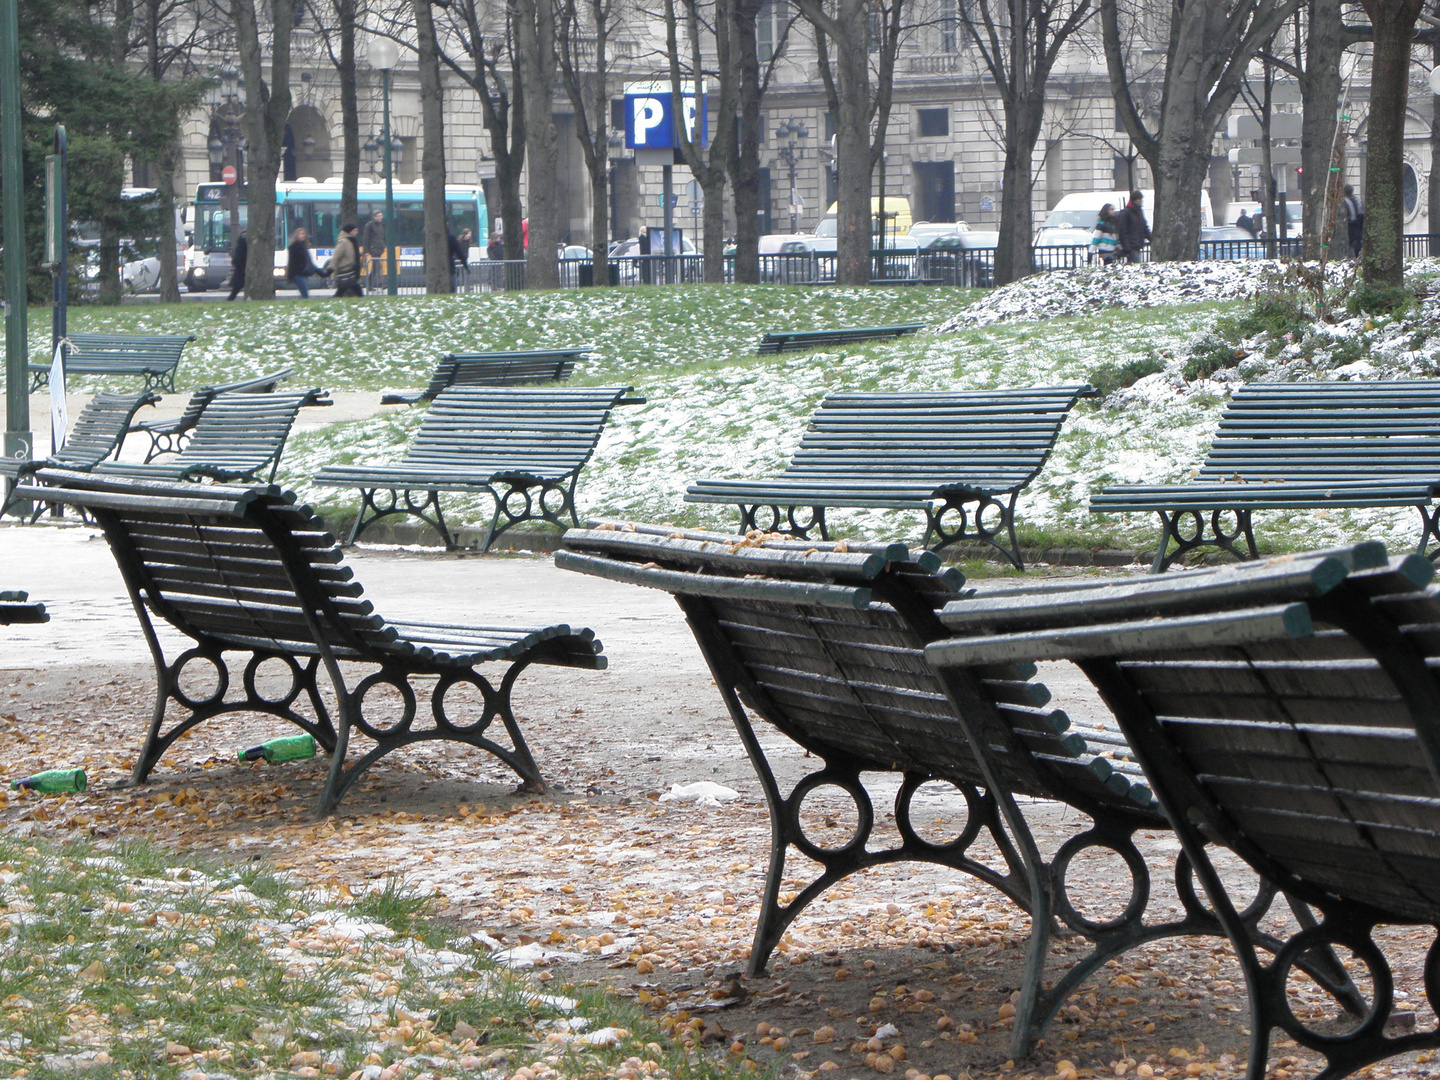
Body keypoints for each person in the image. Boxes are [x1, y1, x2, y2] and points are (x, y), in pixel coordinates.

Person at [286, 227, 326, 298]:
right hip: (297, 273)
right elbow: (291, 262)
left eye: (304, 234)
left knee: (304, 292)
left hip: (303, 273)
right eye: (301, 234)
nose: (303, 235)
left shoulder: (303, 246)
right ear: (297, 235)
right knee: (304, 293)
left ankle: (301, 305)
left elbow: (308, 262)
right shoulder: (294, 247)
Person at [1115, 190, 1151, 263]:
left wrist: (1151, 238)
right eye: (1139, 199)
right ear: (1135, 200)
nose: (1141, 201)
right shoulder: (1127, 213)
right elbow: (1123, 231)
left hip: (1137, 244)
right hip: (1131, 246)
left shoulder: (1139, 212)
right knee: (1136, 264)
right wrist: (1126, 247)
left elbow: (1144, 227)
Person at [330, 223, 363, 297]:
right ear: (350, 231)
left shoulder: (351, 241)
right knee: (345, 290)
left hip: (351, 271)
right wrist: (331, 268)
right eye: (355, 231)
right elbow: (336, 256)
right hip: (346, 271)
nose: (356, 233)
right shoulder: (344, 242)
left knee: (343, 291)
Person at [361, 209, 386, 289]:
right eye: (378, 216)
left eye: (381, 216)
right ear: (374, 217)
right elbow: (366, 239)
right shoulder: (369, 225)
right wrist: (366, 251)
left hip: (379, 248)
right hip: (373, 248)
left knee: (375, 267)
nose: (380, 217)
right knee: (378, 265)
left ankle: (369, 285)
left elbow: (382, 237)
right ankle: (383, 283)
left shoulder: (381, 225)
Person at [1343, 184, 1364, 258]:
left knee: (1351, 243)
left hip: (1351, 224)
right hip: (1359, 223)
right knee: (1357, 242)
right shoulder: (1357, 200)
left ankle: (1353, 258)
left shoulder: (1345, 201)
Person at [226, 231, 247, 301]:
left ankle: (230, 300)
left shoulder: (239, 247)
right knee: (236, 290)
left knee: (235, 290)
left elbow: (235, 261)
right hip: (242, 271)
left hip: (240, 272)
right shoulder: (244, 248)